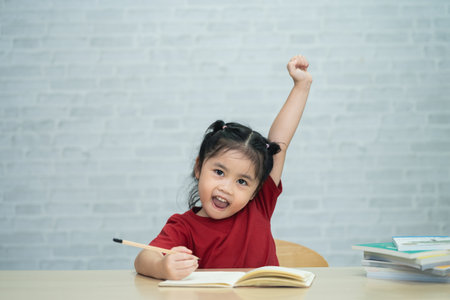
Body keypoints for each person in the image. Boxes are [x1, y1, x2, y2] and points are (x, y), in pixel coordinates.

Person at [135, 55, 312, 280]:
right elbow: (143, 260)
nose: (227, 188)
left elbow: (281, 144)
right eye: (219, 172)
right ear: (198, 168)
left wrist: (302, 85)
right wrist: (162, 266)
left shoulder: (259, 204)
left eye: (242, 181)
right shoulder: (183, 227)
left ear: (255, 191)